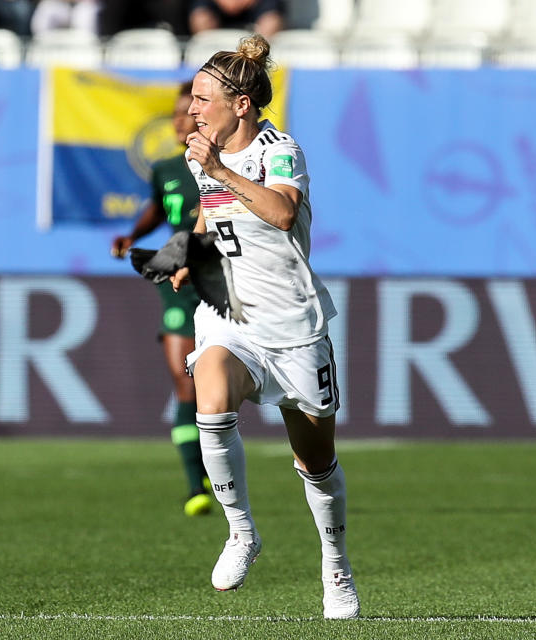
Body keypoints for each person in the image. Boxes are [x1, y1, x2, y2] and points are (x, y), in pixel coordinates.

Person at [171, 33, 359, 618]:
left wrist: (220, 169)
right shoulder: (203, 153)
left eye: (203, 98)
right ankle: (242, 531)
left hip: (294, 325)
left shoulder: (280, 150)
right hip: (233, 316)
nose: (193, 109)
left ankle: (336, 566)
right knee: (211, 392)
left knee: (315, 461)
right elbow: (209, 209)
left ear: (242, 104)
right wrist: (191, 253)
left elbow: (279, 213)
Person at [112, 83, 213, 518]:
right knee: (185, 382)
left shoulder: (224, 166)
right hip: (176, 282)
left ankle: (212, 460)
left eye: (185, 114)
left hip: (222, 285)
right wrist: (134, 235)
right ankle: (195, 484)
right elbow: (158, 206)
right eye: (174, 114)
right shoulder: (167, 169)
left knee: (218, 389)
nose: (177, 121)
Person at [189, 0, 286, 38]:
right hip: (217, 6)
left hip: (256, 5)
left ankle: (261, 60)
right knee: (201, 18)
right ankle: (206, 58)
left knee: (271, 21)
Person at [31, 0, 101, 37]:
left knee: (85, 12)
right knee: (46, 8)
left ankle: (88, 51)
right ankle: (42, 48)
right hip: (59, 5)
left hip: (83, 5)